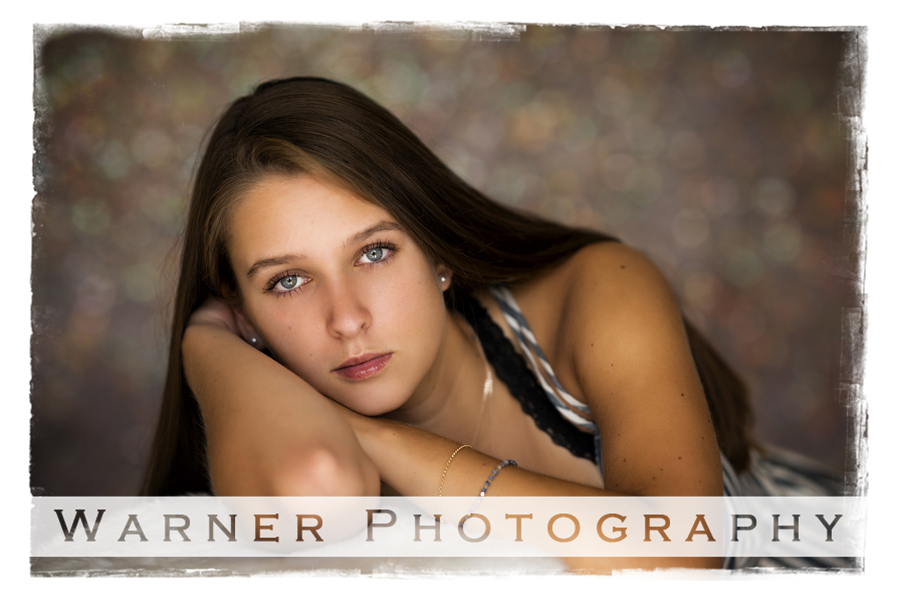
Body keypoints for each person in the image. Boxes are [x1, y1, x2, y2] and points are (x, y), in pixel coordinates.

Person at [141, 76, 845, 571]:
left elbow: (678, 552)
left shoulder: (593, 289)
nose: (347, 318)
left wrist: (373, 437)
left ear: (438, 250)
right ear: (245, 310)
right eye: (287, 281)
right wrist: (206, 343)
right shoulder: (268, 432)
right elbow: (311, 487)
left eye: (376, 252)